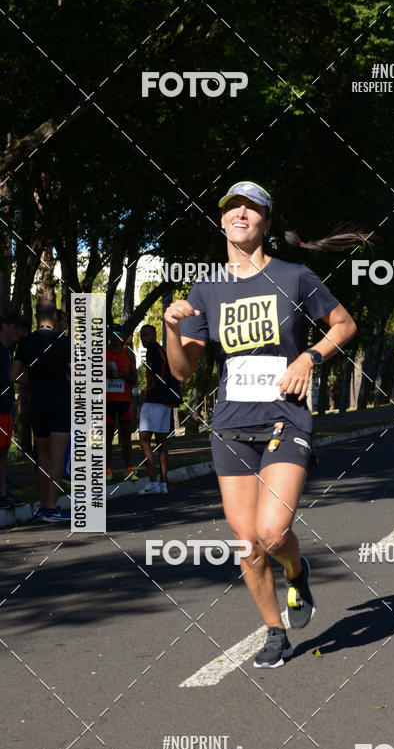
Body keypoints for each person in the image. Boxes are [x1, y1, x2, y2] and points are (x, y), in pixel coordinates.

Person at [165, 180, 365, 668]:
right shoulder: (206, 290)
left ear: (266, 223)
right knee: (248, 544)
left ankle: (296, 571)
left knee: (273, 533)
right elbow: (182, 370)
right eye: (232, 207)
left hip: (285, 417)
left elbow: (345, 324)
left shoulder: (296, 278)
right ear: (221, 220)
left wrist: (309, 359)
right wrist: (173, 328)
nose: (240, 214)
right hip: (232, 425)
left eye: (251, 209)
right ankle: (274, 631)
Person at [10, 300, 71, 523]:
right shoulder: (64, 342)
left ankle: (43, 505)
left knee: (42, 456)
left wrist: (33, 381)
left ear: (36, 317)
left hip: (38, 402)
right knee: (57, 457)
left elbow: (14, 375)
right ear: (55, 316)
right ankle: (52, 508)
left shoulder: (26, 342)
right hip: (60, 402)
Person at [137, 324, 181, 495]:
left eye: (147, 334)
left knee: (144, 440)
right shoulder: (158, 350)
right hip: (166, 402)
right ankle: (163, 483)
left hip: (155, 400)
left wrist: (150, 390)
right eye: (142, 335)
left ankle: (153, 482)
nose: (144, 338)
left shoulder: (155, 351)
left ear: (155, 335)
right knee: (162, 442)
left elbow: (160, 374)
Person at [0, 313, 27, 507]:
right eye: (15, 326)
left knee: (2, 451)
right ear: (4, 326)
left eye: (21, 328)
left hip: (5, 407)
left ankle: (2, 493)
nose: (19, 331)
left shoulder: (7, 351)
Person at [106, 324, 139, 482]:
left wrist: (123, 377)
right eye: (112, 333)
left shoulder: (128, 353)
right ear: (108, 336)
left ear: (122, 336)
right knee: (107, 438)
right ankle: (107, 470)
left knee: (126, 437)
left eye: (118, 333)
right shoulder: (101, 353)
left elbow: (135, 379)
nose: (115, 336)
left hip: (124, 401)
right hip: (106, 401)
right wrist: (106, 375)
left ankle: (128, 469)